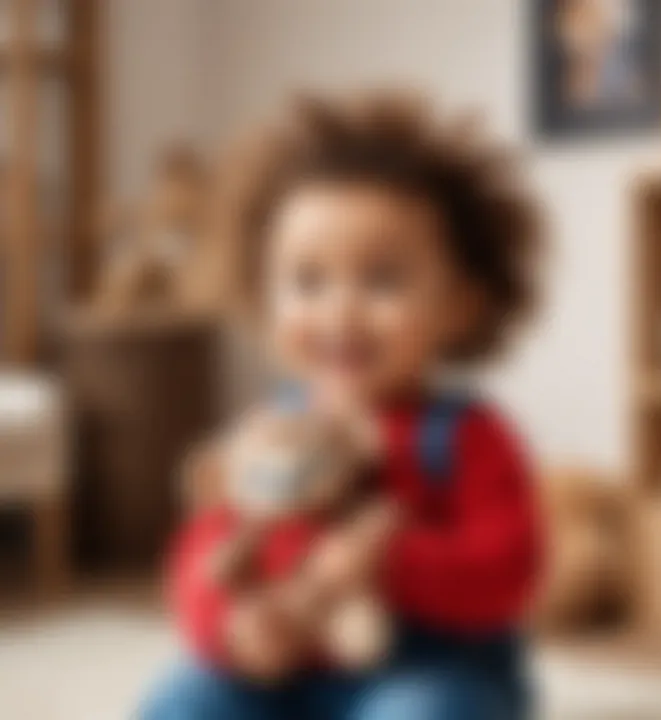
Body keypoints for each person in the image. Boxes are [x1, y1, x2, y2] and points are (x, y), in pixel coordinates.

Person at [141, 91, 544, 720]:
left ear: (460, 304)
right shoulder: (270, 433)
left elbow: (509, 569)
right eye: (308, 281)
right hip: (286, 671)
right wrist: (234, 629)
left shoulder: (466, 436)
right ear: (262, 294)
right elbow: (204, 553)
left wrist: (385, 564)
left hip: (433, 669)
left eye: (382, 280)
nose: (340, 311)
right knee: (180, 703)